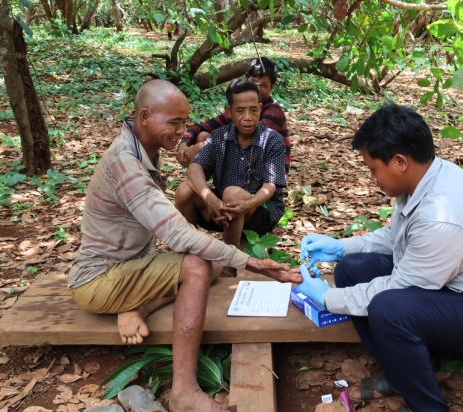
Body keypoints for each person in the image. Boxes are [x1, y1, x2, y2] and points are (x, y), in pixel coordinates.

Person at [68, 80, 301, 412]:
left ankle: (138, 307)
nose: (181, 132)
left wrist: (238, 237)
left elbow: (270, 186)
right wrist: (254, 263)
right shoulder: (126, 162)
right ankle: (184, 393)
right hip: (99, 279)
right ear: (145, 116)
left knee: (214, 261)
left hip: (129, 269)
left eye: (184, 123)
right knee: (198, 263)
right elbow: (177, 233)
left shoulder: (143, 150)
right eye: (174, 123)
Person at [293, 104, 463, 411]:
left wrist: (327, 298)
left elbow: (398, 287)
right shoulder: (424, 178)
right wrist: (342, 248)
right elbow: (397, 237)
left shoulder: (442, 217)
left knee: (389, 309)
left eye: (373, 168)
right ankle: (401, 373)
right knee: (351, 269)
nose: (372, 177)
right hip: (447, 285)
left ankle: (427, 406)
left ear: (400, 161)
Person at [175, 78, 286, 259]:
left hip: (260, 211)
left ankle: (229, 261)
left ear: (260, 108)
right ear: (229, 111)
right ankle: (187, 254)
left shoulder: (271, 139)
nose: (248, 117)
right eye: (240, 111)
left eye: (253, 110)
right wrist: (210, 199)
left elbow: (270, 185)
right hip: (223, 209)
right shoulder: (220, 136)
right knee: (184, 191)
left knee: (232, 194)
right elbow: (195, 168)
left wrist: (248, 204)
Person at [176, 57, 292, 177]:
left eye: (263, 85)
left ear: (272, 87)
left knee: (207, 144)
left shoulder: (273, 112)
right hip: (244, 162)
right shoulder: (239, 108)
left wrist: (202, 147)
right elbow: (200, 127)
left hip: (267, 173)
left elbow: (252, 143)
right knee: (203, 135)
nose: (257, 89)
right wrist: (183, 144)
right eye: (253, 83)